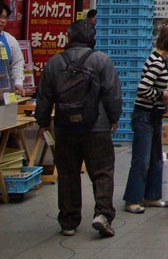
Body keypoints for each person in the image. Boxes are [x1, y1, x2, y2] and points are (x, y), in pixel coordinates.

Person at [34, 20, 122, 238]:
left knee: (68, 173)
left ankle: (69, 221)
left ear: (69, 37)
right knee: (102, 173)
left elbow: (44, 97)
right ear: (92, 38)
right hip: (97, 126)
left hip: (65, 127)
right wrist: (114, 118)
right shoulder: (102, 61)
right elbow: (112, 94)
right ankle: (102, 215)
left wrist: (43, 122)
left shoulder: (54, 63)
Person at [123, 23, 168, 213]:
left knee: (156, 158)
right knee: (142, 160)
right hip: (145, 116)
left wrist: (161, 97)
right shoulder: (156, 62)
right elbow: (143, 89)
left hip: (154, 115)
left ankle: (152, 195)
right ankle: (133, 199)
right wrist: (161, 95)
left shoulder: (159, 59)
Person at [0, 3, 25, 95]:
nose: (3, 21)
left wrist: (17, 82)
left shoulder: (10, 40)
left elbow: (17, 62)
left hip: (4, 93)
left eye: (5, 18)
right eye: (0, 17)